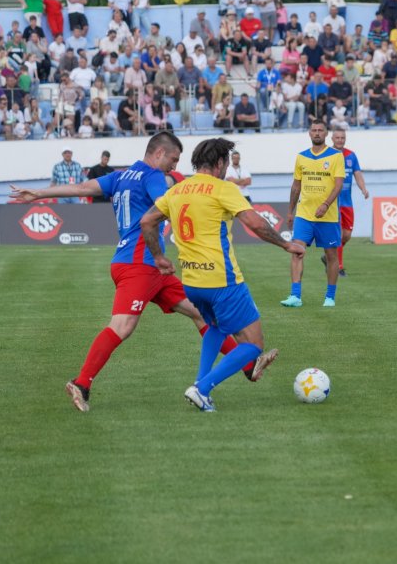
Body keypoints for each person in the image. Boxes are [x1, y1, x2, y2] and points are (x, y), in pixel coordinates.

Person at [11, 133, 277, 412]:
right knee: (122, 326)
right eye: (173, 160)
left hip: (137, 263)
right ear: (160, 153)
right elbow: (172, 207)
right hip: (142, 264)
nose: (172, 166)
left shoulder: (120, 176)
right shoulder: (152, 177)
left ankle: (247, 366)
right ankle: (82, 383)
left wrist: (40, 193)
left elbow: (82, 188)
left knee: (199, 314)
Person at [140, 138, 303, 412]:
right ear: (219, 163)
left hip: (191, 282)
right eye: (226, 163)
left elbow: (147, 220)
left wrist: (158, 256)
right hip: (222, 280)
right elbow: (254, 223)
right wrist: (287, 244)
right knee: (254, 344)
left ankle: (200, 383)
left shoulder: (178, 190)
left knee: (216, 328)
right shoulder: (222, 188)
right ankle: (202, 389)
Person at [281, 120, 346, 309]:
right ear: (309, 134)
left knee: (331, 255)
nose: (317, 133)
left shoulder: (336, 156)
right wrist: (290, 211)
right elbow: (296, 186)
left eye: (320, 130)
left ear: (326, 134)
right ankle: (295, 295)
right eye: (314, 130)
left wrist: (326, 204)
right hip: (304, 214)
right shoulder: (301, 157)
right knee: (297, 251)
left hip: (328, 216)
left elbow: (338, 185)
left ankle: (330, 297)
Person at [331, 128, 369, 276]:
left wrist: (363, 189)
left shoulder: (351, 156)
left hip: (347, 202)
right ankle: (338, 266)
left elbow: (357, 174)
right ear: (332, 139)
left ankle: (329, 256)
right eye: (337, 137)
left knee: (347, 235)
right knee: (338, 234)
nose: (340, 140)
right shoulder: (327, 155)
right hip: (333, 202)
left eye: (343, 138)